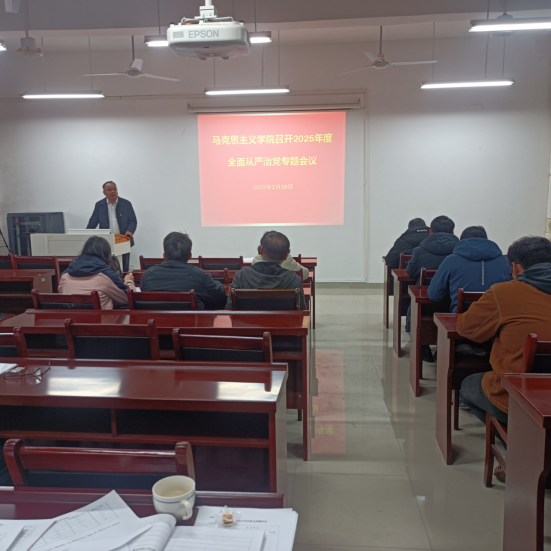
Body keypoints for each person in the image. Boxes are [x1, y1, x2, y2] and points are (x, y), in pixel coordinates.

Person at [458, 236, 551, 482]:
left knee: (467, 386)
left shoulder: (505, 292)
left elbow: (466, 329)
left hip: (520, 400)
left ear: (515, 267)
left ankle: (520, 450)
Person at [427, 226, 511, 312]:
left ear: (462, 241)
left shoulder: (451, 260)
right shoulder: (506, 262)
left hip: (462, 318)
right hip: (499, 318)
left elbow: (434, 295)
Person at [140, 232, 226, 310]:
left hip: (156, 322)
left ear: (164, 255)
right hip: (192, 322)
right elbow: (220, 294)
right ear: (190, 256)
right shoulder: (199, 275)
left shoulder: (148, 275)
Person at [226, 231, 306, 310]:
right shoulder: (295, 280)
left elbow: (229, 309)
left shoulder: (241, 276)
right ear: (286, 256)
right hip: (283, 319)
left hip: (246, 319)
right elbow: (302, 312)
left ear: (261, 250)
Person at [59, 236, 135, 309]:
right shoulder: (106, 277)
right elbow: (129, 298)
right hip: (100, 318)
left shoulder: (65, 276)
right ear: (106, 254)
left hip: (70, 317)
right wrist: (129, 281)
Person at [86, 181, 137, 272]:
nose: (113, 191)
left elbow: (133, 221)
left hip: (123, 239)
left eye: (114, 189)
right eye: (109, 190)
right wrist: (86, 235)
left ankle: (123, 280)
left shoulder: (126, 204)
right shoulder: (99, 205)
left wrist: (129, 231)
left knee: (123, 267)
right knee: (106, 267)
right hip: (106, 241)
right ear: (104, 193)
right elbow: (92, 223)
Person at [406, 215, 459, 280]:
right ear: (452, 233)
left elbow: (411, 272)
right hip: (454, 286)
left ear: (430, 232)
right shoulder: (461, 251)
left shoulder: (418, 251)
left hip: (426, 285)